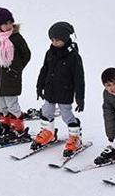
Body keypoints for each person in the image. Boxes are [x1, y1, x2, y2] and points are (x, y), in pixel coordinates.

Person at [33, 21, 85, 157]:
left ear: (65, 38)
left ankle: (75, 137)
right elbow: (44, 70)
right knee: (46, 111)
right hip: (50, 89)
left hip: (65, 91)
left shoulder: (73, 56)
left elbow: (79, 78)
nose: (54, 42)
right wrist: (39, 86)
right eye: (52, 39)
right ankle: (48, 133)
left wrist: (80, 97)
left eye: (57, 40)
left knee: (66, 114)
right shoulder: (50, 53)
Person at [0, 8, 31, 143]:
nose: (8, 25)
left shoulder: (16, 38)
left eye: (10, 22)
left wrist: (16, 69)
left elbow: (26, 54)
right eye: (5, 23)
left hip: (11, 77)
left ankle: (18, 128)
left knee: (12, 104)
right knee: (0, 104)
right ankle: (4, 125)